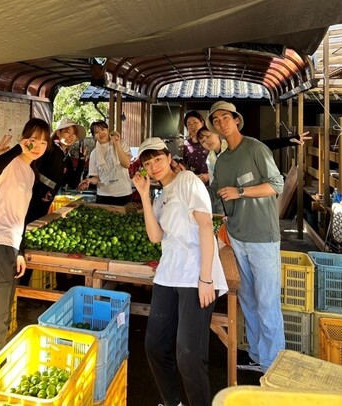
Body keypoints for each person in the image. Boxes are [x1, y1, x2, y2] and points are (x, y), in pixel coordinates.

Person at [132, 137, 228, 406]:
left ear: (168, 157)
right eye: (147, 164)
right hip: (168, 275)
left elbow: (206, 226)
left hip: (195, 276)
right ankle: (172, 402)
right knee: (155, 345)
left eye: (158, 160)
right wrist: (144, 195)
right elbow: (155, 236)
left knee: (188, 354)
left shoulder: (187, 181)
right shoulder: (161, 196)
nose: (154, 167)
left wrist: (206, 278)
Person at [206, 100, 285, 373]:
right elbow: (215, 194)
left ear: (236, 120)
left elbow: (276, 184)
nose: (221, 123)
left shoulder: (255, 148)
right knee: (249, 299)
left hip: (262, 237)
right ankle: (256, 355)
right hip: (237, 237)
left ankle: (273, 364)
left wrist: (240, 192)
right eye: (216, 120)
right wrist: (188, 181)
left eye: (225, 117)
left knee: (267, 301)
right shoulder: (222, 160)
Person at [0, 118, 50, 366]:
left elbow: (19, 217)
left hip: (8, 247)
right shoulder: (10, 161)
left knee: (2, 314)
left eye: (43, 142)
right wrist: (17, 149)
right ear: (24, 139)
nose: (37, 146)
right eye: (33, 140)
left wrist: (19, 251)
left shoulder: (29, 173)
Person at [197, 126, 308, 214]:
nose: (206, 141)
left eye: (207, 136)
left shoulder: (233, 146)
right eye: (202, 141)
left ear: (216, 133)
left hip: (247, 192)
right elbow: (214, 183)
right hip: (226, 197)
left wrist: (289, 140)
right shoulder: (210, 159)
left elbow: (262, 145)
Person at [25, 117, 87, 224]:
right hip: (31, 199)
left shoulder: (66, 157)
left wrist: (81, 161)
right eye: (67, 132)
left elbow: (73, 183)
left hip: (45, 203)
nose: (71, 136)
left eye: (74, 133)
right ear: (58, 133)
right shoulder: (49, 149)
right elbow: (32, 168)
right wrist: (42, 191)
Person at [78, 120, 133, 206]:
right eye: (96, 132)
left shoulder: (121, 143)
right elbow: (96, 178)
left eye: (103, 129)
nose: (101, 133)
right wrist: (88, 180)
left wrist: (117, 144)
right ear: (94, 136)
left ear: (108, 130)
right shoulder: (94, 153)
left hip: (123, 193)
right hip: (103, 195)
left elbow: (126, 164)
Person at [182, 110, 209, 180]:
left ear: (202, 123)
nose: (192, 126)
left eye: (195, 122)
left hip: (212, 180)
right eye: (189, 124)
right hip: (194, 181)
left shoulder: (210, 141)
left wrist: (209, 175)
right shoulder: (186, 144)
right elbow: (185, 164)